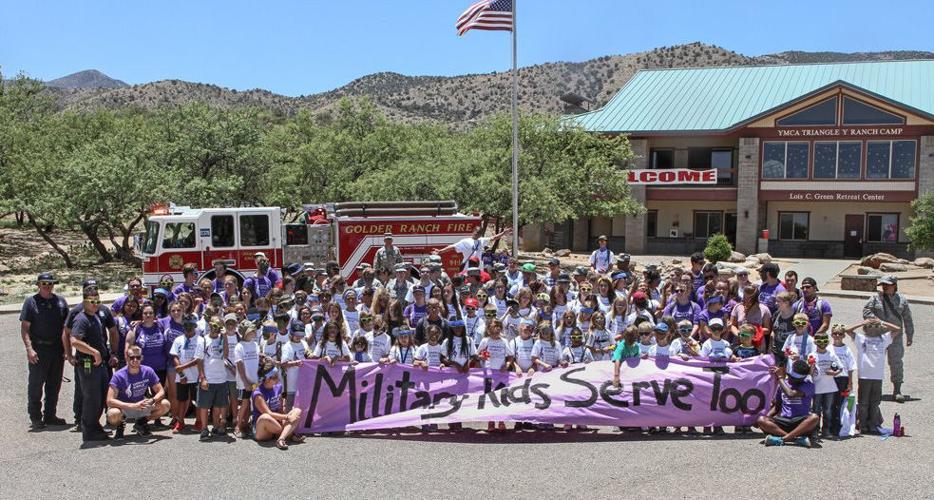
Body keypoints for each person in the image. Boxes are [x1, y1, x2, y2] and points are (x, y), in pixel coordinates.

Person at [20, 272, 69, 430]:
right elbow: (25, 328)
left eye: (50, 284)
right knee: (36, 385)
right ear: (38, 285)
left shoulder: (60, 301)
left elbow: (66, 328)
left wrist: (67, 349)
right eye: (44, 284)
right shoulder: (31, 302)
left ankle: (50, 415)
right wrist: (29, 349)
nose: (47, 287)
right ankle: (35, 417)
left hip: (57, 348)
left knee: (54, 385)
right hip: (39, 349)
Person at [843, 317, 902, 434]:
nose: (873, 328)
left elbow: (898, 329)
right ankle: (862, 424)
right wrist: (862, 323)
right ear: (865, 328)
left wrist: (882, 322)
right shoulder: (861, 338)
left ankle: (873, 424)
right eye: (870, 326)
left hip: (877, 376)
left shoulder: (883, 339)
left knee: (875, 402)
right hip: (864, 375)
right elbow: (848, 330)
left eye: (875, 326)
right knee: (863, 402)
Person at [861, 275, 914, 403]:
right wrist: (877, 321)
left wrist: (910, 335)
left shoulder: (902, 300)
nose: (884, 287)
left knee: (896, 361)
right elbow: (866, 311)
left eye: (887, 284)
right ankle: (874, 391)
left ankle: (897, 390)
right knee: (875, 362)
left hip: (895, 336)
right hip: (877, 336)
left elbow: (907, 319)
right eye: (883, 285)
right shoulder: (875, 298)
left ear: (894, 285)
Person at [69, 289, 111, 442]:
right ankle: (89, 430)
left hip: (99, 365)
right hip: (88, 364)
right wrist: (94, 352)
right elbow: (74, 341)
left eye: (97, 301)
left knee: (100, 397)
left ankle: (94, 426)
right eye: (92, 301)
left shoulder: (95, 317)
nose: (95, 304)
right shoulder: (82, 319)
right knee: (92, 398)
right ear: (85, 302)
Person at [105, 346, 171, 439]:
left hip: (141, 405)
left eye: (138, 357)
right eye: (131, 357)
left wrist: (152, 400)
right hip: (124, 407)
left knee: (165, 404)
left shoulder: (148, 371)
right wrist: (132, 406)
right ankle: (120, 425)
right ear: (127, 358)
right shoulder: (118, 375)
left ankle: (141, 423)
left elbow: (161, 391)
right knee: (113, 414)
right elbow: (109, 401)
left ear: (142, 358)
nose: (135, 360)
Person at [756, 360, 820, 447]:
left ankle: (782, 439)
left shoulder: (808, 385)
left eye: (797, 379)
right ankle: (796, 439)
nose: (793, 379)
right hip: (784, 421)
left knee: (814, 417)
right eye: (792, 377)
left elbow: (790, 394)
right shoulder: (783, 384)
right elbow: (777, 407)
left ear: (803, 378)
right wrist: (766, 419)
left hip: (800, 423)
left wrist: (780, 377)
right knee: (761, 420)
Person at [169, 316, 205, 433]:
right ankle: (180, 422)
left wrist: (181, 367)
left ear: (195, 327)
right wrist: (181, 373)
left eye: (191, 326)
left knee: (198, 400)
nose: (188, 329)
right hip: (182, 377)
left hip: (196, 376)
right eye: (186, 326)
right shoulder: (178, 340)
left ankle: (199, 421)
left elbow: (197, 359)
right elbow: (175, 356)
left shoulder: (200, 340)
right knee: (182, 400)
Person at [252, 368, 303, 450]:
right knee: (265, 417)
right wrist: (287, 418)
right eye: (275, 377)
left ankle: (281, 438)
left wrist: (283, 418)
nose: (278, 379)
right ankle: (289, 433)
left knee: (297, 411)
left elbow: (280, 408)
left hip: (276, 423)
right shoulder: (258, 393)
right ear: (268, 379)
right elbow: (269, 413)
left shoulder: (278, 387)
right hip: (264, 428)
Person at [197, 315, 230, 441]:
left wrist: (225, 336)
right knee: (205, 406)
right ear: (210, 325)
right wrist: (202, 378)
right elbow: (199, 361)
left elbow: (226, 355)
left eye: (219, 326)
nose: (216, 329)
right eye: (214, 325)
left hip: (221, 378)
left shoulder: (222, 339)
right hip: (208, 378)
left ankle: (216, 427)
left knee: (218, 406)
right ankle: (204, 428)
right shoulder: (203, 340)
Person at [810, 331, 842, 440]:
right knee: (816, 410)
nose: (822, 343)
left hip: (830, 387)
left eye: (824, 341)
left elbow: (840, 367)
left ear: (827, 342)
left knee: (828, 410)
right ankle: (814, 431)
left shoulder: (831, 354)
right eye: (819, 341)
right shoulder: (812, 355)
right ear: (815, 342)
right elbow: (809, 373)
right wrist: (811, 366)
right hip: (817, 387)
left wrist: (834, 373)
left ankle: (826, 431)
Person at [433, 226, 511, 269]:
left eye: (479, 233)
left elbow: (493, 238)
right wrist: (440, 251)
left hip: (479, 266)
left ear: (481, 234)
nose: (477, 234)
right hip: (467, 266)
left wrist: (503, 233)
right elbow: (453, 247)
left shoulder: (482, 241)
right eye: (476, 232)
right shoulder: (465, 241)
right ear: (473, 232)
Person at [829, 324, 856, 438]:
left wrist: (850, 383)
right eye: (835, 333)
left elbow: (850, 368)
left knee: (841, 404)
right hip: (831, 379)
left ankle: (840, 427)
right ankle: (830, 427)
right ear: (831, 335)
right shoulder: (829, 348)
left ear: (844, 336)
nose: (837, 336)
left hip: (843, 379)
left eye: (840, 334)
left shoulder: (847, 349)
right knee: (831, 403)